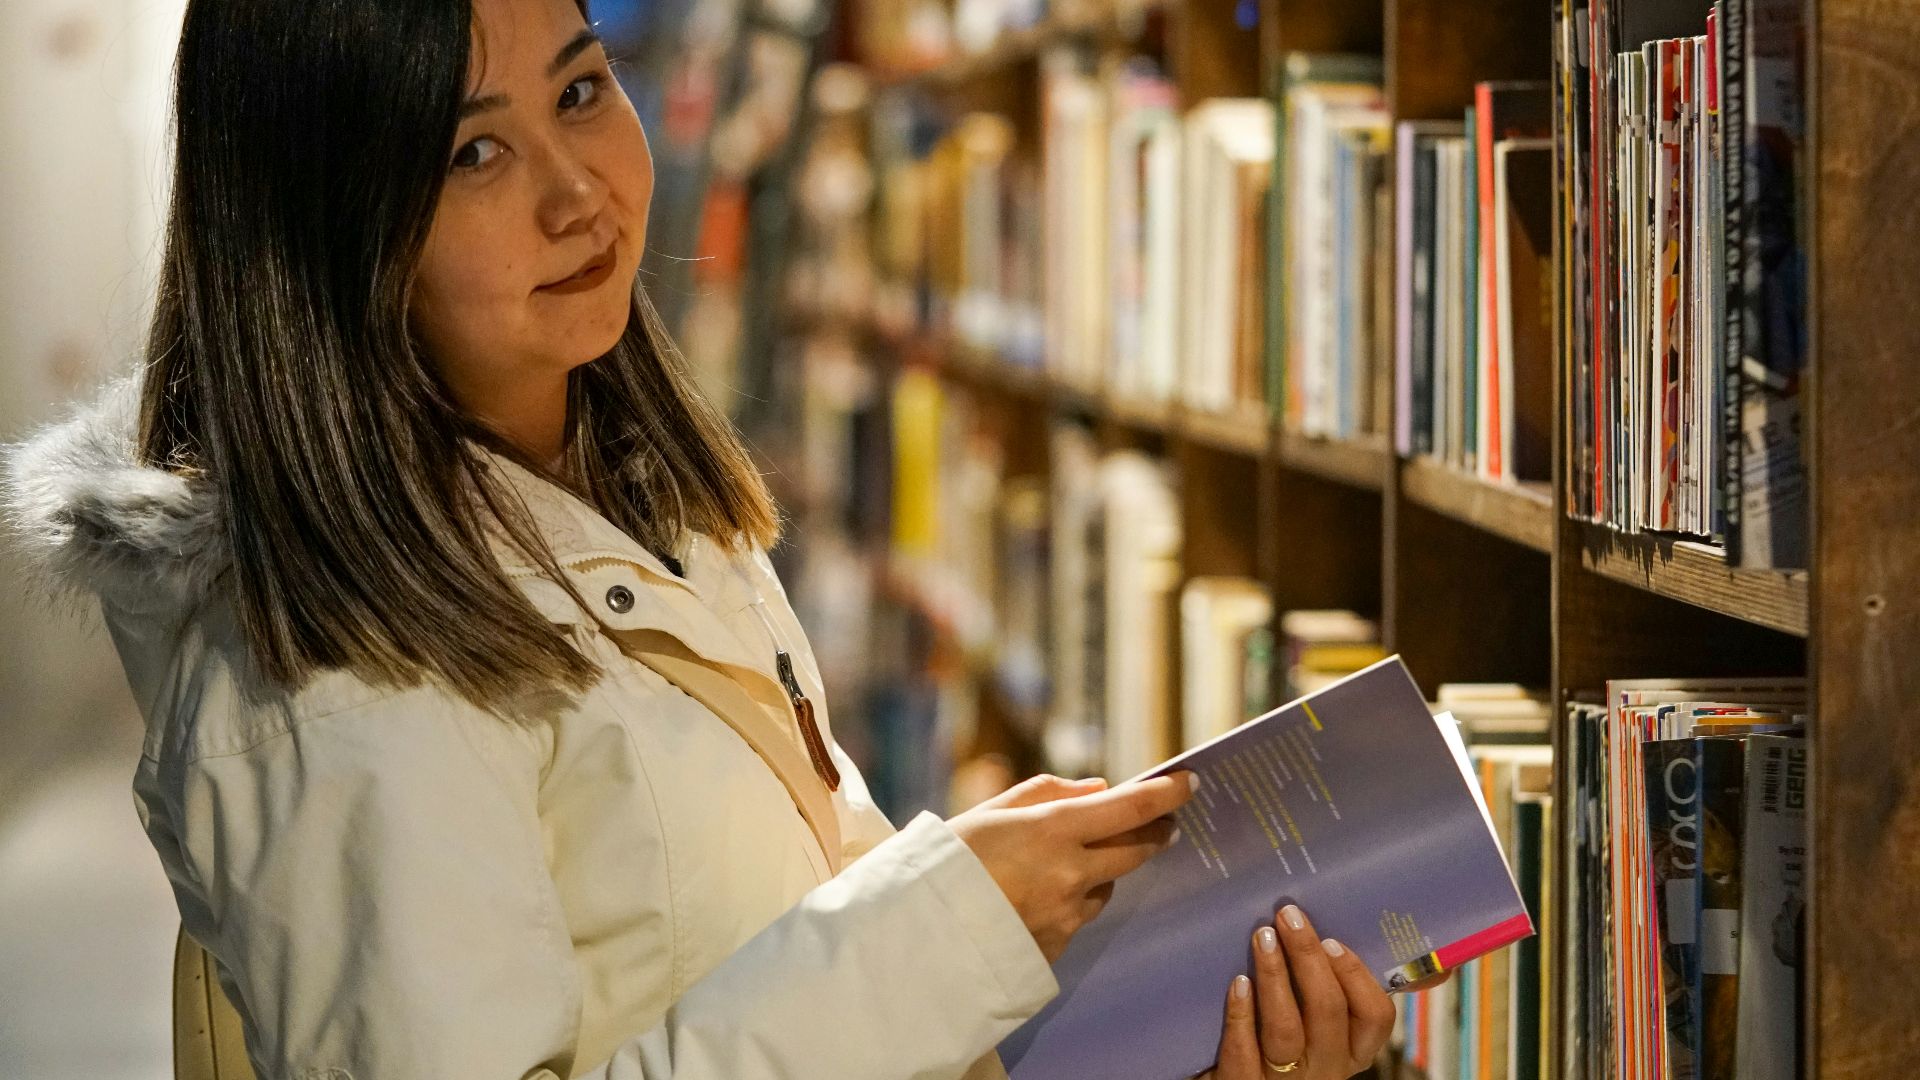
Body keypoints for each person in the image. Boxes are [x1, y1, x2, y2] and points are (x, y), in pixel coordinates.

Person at [2, 0, 1402, 1077]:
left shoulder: (631, 498)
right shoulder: (334, 675)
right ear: (326, 226)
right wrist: (941, 925)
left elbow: (773, 966)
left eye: (581, 90)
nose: (582, 191)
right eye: (474, 150)